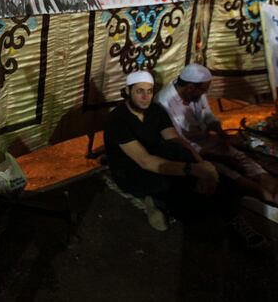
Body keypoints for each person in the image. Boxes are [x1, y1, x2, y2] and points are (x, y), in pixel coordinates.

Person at [104, 71, 266, 248]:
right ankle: (156, 201)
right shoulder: (117, 120)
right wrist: (191, 170)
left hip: (158, 159)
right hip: (131, 169)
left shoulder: (155, 111)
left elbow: (176, 140)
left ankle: (232, 219)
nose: (145, 97)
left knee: (223, 183)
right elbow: (145, 161)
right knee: (181, 193)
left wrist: (203, 167)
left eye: (149, 91)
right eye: (139, 91)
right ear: (128, 91)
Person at [155, 63, 278, 212]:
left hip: (206, 141)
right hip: (187, 150)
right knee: (223, 168)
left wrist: (219, 131)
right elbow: (179, 141)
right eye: (203, 90)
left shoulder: (195, 91)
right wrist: (219, 157)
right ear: (191, 87)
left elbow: (208, 116)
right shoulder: (164, 102)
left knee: (240, 158)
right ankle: (269, 197)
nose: (205, 93)